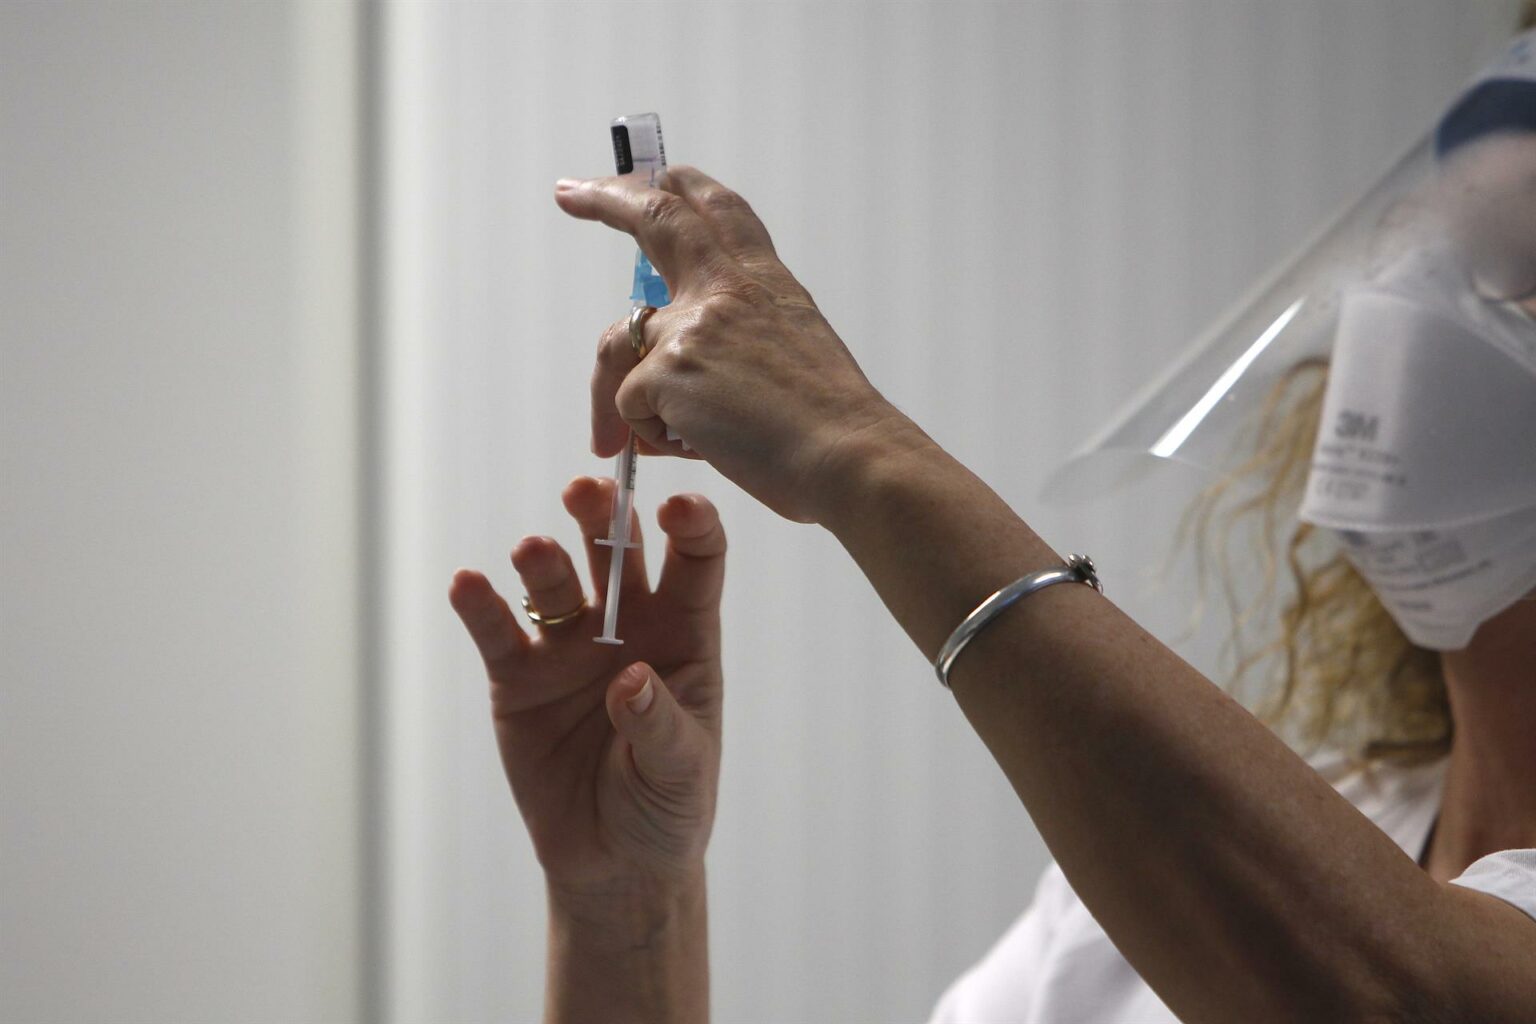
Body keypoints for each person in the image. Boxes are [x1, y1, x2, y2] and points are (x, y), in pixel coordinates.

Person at [448, 23, 1536, 1024]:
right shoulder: (1192, 866)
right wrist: (627, 910)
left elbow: (1403, 999)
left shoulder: (1249, 882)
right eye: (1433, 255)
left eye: (1517, 280)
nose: (1414, 326)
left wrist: (853, 444)